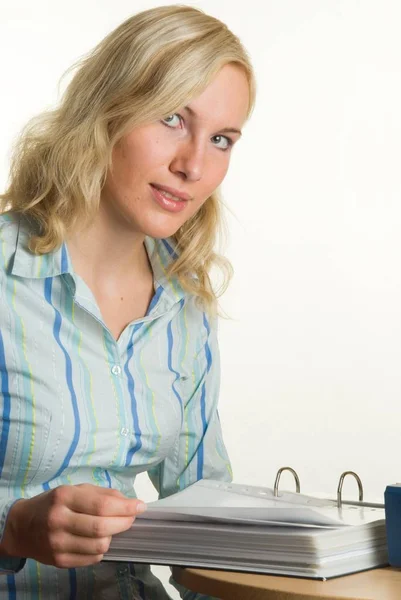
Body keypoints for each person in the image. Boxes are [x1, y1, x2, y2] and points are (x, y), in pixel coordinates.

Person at [0, 4, 256, 598]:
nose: (193, 164)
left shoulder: (185, 304)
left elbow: (204, 518)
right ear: (106, 110)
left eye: (221, 139)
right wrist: (12, 528)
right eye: (171, 118)